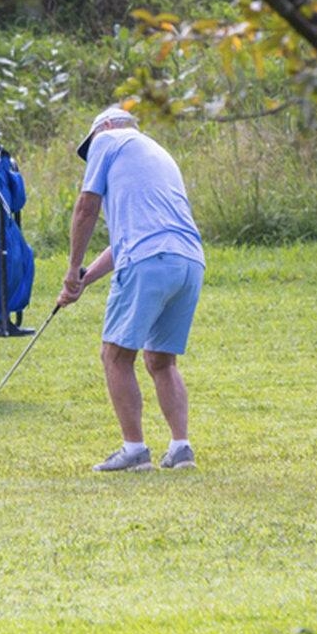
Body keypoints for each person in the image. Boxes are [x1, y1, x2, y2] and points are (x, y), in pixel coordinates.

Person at [57, 105, 205, 472]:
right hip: (188, 262)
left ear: (105, 127)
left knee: (115, 356)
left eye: (89, 149)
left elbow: (85, 207)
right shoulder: (157, 153)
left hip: (150, 260)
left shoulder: (108, 139)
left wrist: (72, 268)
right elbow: (124, 242)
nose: (91, 156)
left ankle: (134, 450)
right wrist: (84, 279)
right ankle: (181, 448)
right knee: (161, 359)